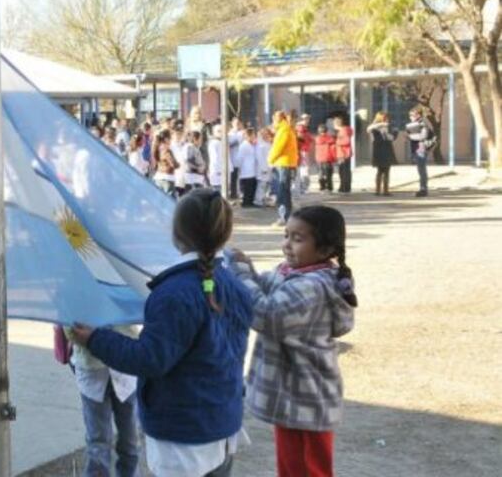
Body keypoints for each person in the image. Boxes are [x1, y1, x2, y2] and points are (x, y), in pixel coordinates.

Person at [72, 190, 253, 477]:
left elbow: (149, 359)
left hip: (183, 435)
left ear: (176, 233)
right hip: (222, 421)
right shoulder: (232, 284)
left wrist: (95, 339)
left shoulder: (175, 294)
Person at [228, 205, 357, 477]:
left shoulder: (312, 286)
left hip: (307, 400)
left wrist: (240, 274)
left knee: (309, 470)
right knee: (290, 468)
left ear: (324, 250)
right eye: (286, 235)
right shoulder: (291, 272)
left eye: (297, 239)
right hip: (292, 397)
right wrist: (244, 268)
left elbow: (267, 314)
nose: (287, 245)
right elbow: (262, 284)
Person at [63, 324, 141, 477]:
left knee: (130, 442)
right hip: (92, 371)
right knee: (98, 444)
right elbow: (70, 331)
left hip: (126, 369)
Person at [269, 112, 299, 227]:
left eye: (274, 118)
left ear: (278, 119)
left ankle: (284, 217)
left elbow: (277, 148)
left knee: (282, 192)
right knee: (284, 191)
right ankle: (287, 216)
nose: (273, 121)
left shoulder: (283, 130)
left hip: (282, 163)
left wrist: (270, 160)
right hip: (286, 163)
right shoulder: (287, 129)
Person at [405, 107, 435, 197]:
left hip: (421, 148)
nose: (410, 117)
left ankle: (423, 189)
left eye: (412, 115)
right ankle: (423, 188)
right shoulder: (414, 124)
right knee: (420, 169)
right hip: (416, 148)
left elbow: (423, 136)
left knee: (422, 170)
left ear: (418, 115)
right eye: (409, 115)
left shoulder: (422, 124)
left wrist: (410, 136)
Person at [367, 112, 397, 197]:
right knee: (380, 171)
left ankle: (386, 190)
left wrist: (387, 133)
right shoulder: (374, 127)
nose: (386, 120)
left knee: (387, 171)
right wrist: (381, 125)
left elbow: (393, 137)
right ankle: (377, 190)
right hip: (379, 150)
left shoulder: (389, 127)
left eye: (386, 118)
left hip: (387, 148)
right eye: (384, 118)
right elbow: (369, 129)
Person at [151, 130, 177, 196]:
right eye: (170, 138)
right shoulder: (166, 150)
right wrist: (177, 164)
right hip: (167, 180)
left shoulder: (157, 147)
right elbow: (173, 164)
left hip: (158, 178)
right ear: (166, 139)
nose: (171, 140)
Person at [238, 128, 259, 208]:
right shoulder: (244, 145)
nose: (254, 136)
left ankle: (250, 202)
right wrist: (240, 167)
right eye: (253, 135)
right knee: (248, 188)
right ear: (249, 136)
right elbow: (240, 158)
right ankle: (246, 203)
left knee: (252, 187)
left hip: (252, 170)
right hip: (246, 170)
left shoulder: (251, 144)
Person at [295, 113, 315, 195]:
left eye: (308, 119)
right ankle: (303, 187)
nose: (307, 120)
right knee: (304, 169)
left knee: (304, 169)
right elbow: (301, 138)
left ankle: (303, 187)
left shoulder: (304, 129)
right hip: (302, 150)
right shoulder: (300, 128)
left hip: (304, 150)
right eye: (305, 119)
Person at [334, 115, 354, 194]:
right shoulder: (345, 130)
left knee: (343, 172)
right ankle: (344, 187)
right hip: (344, 153)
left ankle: (344, 188)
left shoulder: (343, 130)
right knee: (344, 171)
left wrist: (337, 142)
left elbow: (346, 141)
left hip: (343, 154)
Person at [314, 125, 337, 193]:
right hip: (328, 158)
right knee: (328, 174)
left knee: (320, 174)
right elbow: (333, 149)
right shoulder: (330, 139)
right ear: (326, 130)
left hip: (319, 159)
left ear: (319, 131)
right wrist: (334, 159)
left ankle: (322, 187)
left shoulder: (317, 139)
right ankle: (329, 188)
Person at [255, 128, 273, 207]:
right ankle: (258, 200)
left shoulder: (268, 143)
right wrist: (264, 168)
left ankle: (264, 199)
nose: (266, 135)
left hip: (269, 167)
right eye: (264, 134)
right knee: (261, 185)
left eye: (267, 134)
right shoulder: (260, 145)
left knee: (266, 185)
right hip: (262, 168)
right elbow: (260, 158)